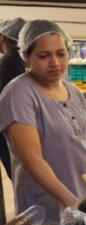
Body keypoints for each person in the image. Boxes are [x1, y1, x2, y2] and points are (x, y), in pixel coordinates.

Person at [0, 20, 86, 222]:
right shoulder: (19, 93)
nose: (55, 62)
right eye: (44, 56)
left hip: (83, 194)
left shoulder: (75, 92)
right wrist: (68, 200)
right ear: (26, 55)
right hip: (46, 200)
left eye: (61, 54)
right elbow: (30, 157)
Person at [0, 17, 27, 179]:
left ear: (2, 37)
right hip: (20, 130)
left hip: (12, 132)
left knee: (21, 176)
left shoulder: (10, 61)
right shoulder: (21, 60)